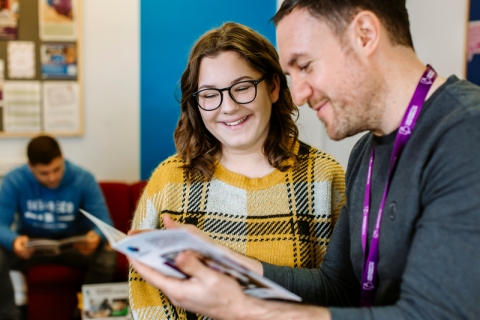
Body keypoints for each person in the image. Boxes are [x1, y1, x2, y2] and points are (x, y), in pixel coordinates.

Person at [128, 0, 480, 319]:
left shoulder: (468, 133)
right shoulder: (366, 153)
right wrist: (229, 261)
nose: (297, 94)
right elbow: (337, 288)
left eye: (305, 65)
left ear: (365, 34)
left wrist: (240, 308)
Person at [128, 22, 346, 319]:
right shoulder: (169, 179)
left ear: (273, 87)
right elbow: (144, 289)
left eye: (242, 88)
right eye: (209, 94)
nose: (227, 107)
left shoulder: (325, 177)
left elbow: (340, 293)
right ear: (197, 103)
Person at [0, 135, 117, 320]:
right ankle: (8, 316)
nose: (52, 178)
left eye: (56, 169)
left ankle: (85, 315)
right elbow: (1, 224)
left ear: (62, 158)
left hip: (74, 245)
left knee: (107, 257)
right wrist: (13, 241)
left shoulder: (83, 179)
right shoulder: (14, 180)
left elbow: (104, 222)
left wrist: (96, 237)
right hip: (31, 245)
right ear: (30, 167)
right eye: (44, 173)